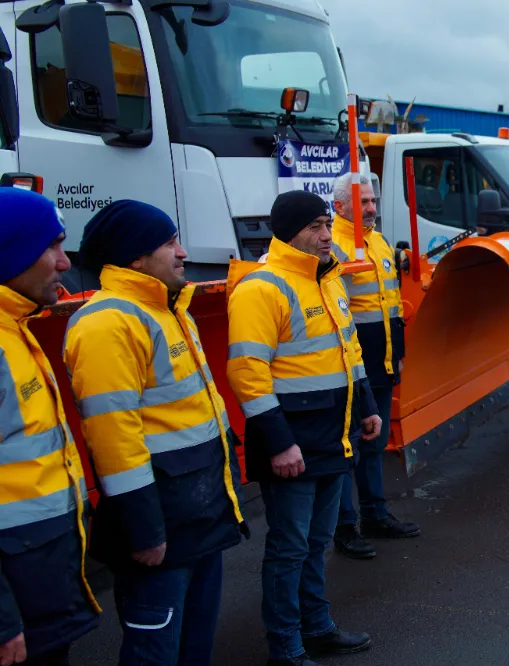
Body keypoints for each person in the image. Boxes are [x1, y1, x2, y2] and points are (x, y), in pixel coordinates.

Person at [64, 200, 248, 666]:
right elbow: (115, 442)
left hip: (194, 518)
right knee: (155, 654)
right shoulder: (107, 324)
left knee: (193, 648)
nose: (183, 252)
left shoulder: (168, 310)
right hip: (161, 529)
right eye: (169, 242)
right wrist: (145, 531)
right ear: (135, 257)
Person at [227, 190, 380, 666]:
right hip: (292, 443)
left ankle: (317, 627)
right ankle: (286, 644)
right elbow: (247, 372)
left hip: (333, 435)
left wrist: (367, 407)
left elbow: (349, 351)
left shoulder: (328, 280)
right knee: (290, 548)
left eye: (327, 225)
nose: (326, 234)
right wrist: (279, 442)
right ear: (289, 232)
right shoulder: (262, 287)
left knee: (316, 542)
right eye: (315, 226)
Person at [0, 189, 100, 666]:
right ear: (12, 250)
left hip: (36, 582)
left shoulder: (14, 327)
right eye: (53, 246)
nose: (65, 263)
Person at [328, 174, 420, 560]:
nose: (370, 207)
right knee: (346, 447)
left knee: (374, 444)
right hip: (351, 366)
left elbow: (392, 306)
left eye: (372, 200)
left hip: (381, 363)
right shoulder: (332, 247)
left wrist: (397, 353)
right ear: (339, 207)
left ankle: (375, 514)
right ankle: (345, 526)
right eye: (362, 202)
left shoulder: (377, 242)